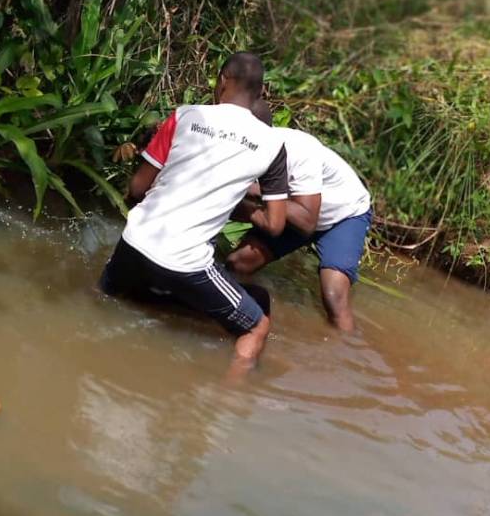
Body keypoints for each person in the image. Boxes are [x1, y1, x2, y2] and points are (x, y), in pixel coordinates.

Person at [100, 53, 288, 372]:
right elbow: (275, 224)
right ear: (261, 93)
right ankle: (224, 407)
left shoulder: (185, 116)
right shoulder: (273, 145)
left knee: (106, 297)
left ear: (223, 81)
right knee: (257, 325)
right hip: (185, 262)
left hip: (134, 242)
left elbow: (137, 188)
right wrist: (231, 206)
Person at [227, 103, 371, 333]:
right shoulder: (239, 147)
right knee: (238, 263)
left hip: (342, 215)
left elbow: (306, 222)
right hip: (291, 211)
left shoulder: (300, 150)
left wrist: (254, 192)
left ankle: (345, 351)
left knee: (333, 295)